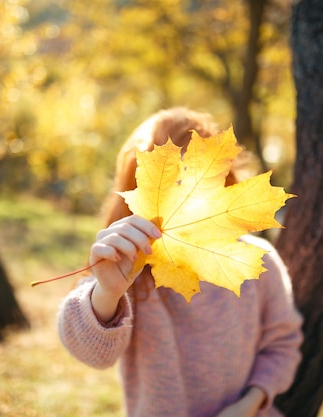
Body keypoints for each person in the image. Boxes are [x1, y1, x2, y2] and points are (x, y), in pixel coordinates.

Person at [57, 107, 303, 417]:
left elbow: (283, 346)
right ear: (135, 194)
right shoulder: (130, 269)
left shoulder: (258, 261)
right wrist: (107, 292)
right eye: (169, 182)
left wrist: (250, 404)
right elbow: (90, 352)